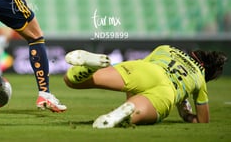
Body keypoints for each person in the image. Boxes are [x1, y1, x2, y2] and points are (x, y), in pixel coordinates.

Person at [63, 45, 227, 128]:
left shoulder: (166, 48)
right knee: (132, 116)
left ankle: (91, 66)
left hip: (147, 70)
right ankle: (127, 113)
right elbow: (203, 121)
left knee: (71, 80)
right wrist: (187, 114)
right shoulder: (199, 78)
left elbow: (135, 82)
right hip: (167, 92)